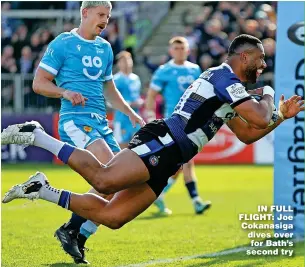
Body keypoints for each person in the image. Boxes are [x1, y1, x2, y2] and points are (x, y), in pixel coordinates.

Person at [2, 35, 304, 255]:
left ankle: (40, 189)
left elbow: (248, 133)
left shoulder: (230, 89)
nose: (264, 65)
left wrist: (280, 116)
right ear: (244, 57)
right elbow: (260, 117)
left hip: (173, 157)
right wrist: (267, 92)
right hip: (164, 141)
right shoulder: (224, 78)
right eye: (261, 59)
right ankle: (37, 134)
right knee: (104, 180)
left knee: (113, 217)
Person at [31, 1, 144, 264]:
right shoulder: (63, 43)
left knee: (119, 183)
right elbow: (39, 83)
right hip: (75, 120)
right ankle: (71, 228)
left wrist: (129, 111)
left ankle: (76, 234)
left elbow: (109, 89)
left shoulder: (105, 48)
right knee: (110, 174)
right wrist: (64, 92)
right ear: (85, 13)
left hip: (101, 123)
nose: (106, 20)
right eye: (101, 14)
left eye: (109, 16)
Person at [146, 36, 211, 215]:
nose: (179, 51)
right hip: (174, 121)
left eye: (182, 48)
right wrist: (150, 115)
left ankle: (157, 195)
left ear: (188, 50)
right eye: (176, 48)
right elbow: (151, 95)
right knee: (188, 162)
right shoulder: (164, 70)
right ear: (170, 51)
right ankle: (196, 201)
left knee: (180, 166)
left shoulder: (195, 69)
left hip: (194, 121)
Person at [113, 51, 144, 149]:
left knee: (138, 145)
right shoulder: (116, 79)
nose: (126, 62)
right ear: (118, 64)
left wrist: (140, 102)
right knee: (122, 147)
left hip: (136, 116)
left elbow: (136, 96)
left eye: (128, 60)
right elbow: (111, 100)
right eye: (123, 60)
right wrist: (130, 103)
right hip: (122, 118)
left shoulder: (136, 78)